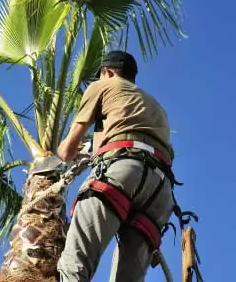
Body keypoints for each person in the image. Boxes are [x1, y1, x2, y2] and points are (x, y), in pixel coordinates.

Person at [56, 50, 176, 282]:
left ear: (107, 72)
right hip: (160, 193)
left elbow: (67, 151)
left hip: (122, 173)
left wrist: (62, 155)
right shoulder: (155, 106)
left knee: (75, 268)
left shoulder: (103, 86)